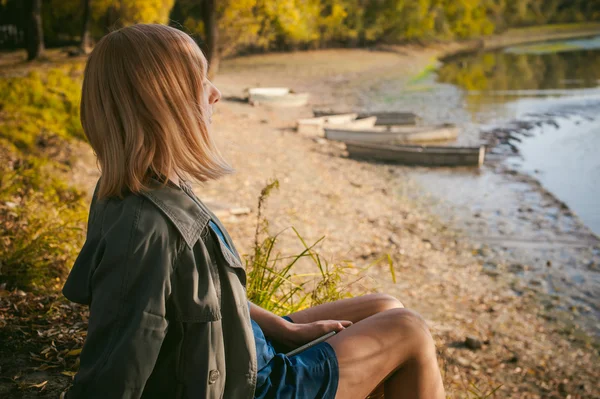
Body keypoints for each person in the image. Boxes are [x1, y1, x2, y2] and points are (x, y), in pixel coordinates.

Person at [61, 24, 446, 399]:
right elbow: (116, 367)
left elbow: (208, 295)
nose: (216, 93)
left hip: (243, 348)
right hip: (252, 384)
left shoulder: (153, 187)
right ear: (161, 103)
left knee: (384, 306)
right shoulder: (146, 229)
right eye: (199, 80)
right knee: (408, 329)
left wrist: (283, 328)